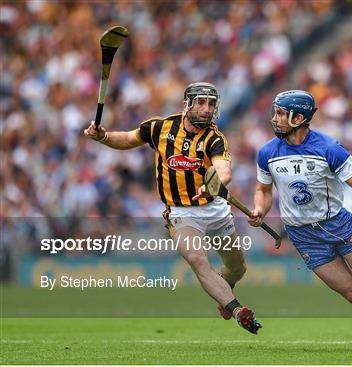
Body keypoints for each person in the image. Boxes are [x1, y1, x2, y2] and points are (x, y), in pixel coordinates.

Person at [248, 90, 352, 348]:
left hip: (339, 225)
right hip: (303, 236)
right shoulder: (267, 152)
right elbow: (263, 191)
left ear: (298, 117)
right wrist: (259, 209)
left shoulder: (329, 148)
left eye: (281, 114)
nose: (275, 119)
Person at [84, 82, 261, 334]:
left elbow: (224, 168)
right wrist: (102, 136)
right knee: (198, 260)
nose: (206, 109)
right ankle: (236, 310)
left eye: (210, 104)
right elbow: (127, 138)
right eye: (200, 102)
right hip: (181, 213)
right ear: (187, 104)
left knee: (237, 267)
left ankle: (225, 290)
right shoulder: (160, 127)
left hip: (215, 209)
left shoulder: (214, 138)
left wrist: (214, 183)